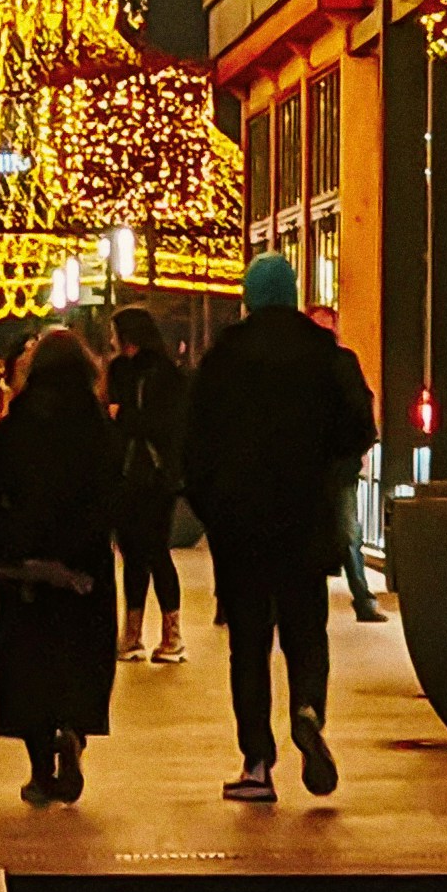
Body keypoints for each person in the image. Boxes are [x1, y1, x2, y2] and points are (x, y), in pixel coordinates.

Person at [184, 250, 378, 804]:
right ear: (292, 294)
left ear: (249, 295)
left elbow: (194, 442)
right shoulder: (324, 353)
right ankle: (308, 708)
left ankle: (256, 763)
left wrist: (213, 506)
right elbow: (359, 425)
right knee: (305, 627)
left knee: (248, 642)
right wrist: (327, 469)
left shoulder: (225, 357)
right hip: (305, 516)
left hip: (241, 524)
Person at [0, 327, 120, 805]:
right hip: (84, 564)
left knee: (30, 663)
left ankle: (39, 768)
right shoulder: (97, 427)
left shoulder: (18, 424)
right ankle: (73, 730)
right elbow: (113, 493)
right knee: (81, 657)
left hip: (26, 566)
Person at [103, 303, 191, 664]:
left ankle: (155, 635)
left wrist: (122, 414)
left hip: (145, 474)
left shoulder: (146, 373)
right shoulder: (144, 371)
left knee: (147, 552)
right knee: (144, 553)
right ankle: (150, 634)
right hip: (143, 476)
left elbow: (153, 423)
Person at [310, 304, 390, 622]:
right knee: (346, 531)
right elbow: (362, 405)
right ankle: (362, 599)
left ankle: (361, 598)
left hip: (330, 464)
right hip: (333, 462)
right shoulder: (343, 363)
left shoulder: (329, 365)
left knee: (345, 531)